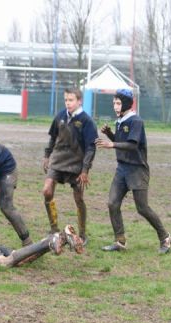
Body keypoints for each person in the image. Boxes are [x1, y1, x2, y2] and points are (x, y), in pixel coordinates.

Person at [95, 88, 171, 254]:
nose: (115, 106)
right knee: (112, 203)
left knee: (142, 208)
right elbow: (122, 140)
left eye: (118, 103)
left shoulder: (135, 121)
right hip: (122, 168)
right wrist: (110, 134)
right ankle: (120, 241)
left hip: (137, 170)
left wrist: (112, 144)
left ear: (126, 104)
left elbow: (132, 145)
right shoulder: (120, 120)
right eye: (114, 103)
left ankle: (165, 237)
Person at [42, 87, 97, 245]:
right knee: (46, 191)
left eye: (71, 100)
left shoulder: (86, 121)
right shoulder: (60, 116)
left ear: (79, 101)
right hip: (58, 161)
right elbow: (52, 138)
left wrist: (85, 170)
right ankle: (53, 229)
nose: (68, 103)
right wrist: (47, 156)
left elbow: (91, 148)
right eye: (66, 100)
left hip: (77, 164)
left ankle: (82, 234)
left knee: (79, 198)